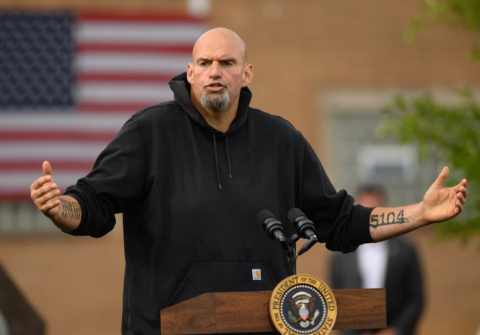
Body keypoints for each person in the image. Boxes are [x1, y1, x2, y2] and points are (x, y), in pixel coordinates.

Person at [29, 28, 467, 335]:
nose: (215, 71)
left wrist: (420, 213)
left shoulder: (280, 140)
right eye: (205, 63)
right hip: (167, 329)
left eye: (226, 62)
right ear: (190, 71)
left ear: (247, 73)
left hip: (266, 326)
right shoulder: (150, 133)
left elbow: (339, 221)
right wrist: (60, 207)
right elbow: (94, 204)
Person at [330, 184, 424, 335]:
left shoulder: (405, 250)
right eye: (363, 211)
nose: (367, 218)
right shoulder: (341, 253)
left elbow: (415, 298)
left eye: (373, 211)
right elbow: (334, 297)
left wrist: (397, 330)